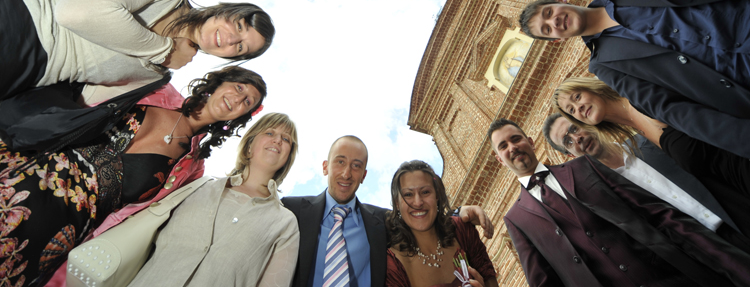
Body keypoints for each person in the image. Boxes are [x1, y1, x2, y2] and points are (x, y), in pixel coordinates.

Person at [0, 66, 267, 286]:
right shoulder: (154, 88)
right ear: (219, 81)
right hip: (23, 170)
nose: (238, 98)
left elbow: (131, 220)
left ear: (240, 117)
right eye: (240, 87)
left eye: (247, 102)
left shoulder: (191, 169)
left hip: (56, 232)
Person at [518, 0, 750, 158]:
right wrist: (740, 138)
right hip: (740, 82)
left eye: (549, 12)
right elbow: (668, 108)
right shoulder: (605, 66)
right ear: (557, 40)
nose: (555, 21)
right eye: (547, 29)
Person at [489, 118, 750, 287]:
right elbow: (544, 282)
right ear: (500, 159)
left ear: (530, 141)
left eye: (516, 138)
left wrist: (726, 262)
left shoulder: (585, 166)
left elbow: (656, 213)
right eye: (503, 146)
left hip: (675, 277)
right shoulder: (516, 219)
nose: (512, 147)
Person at [0, 0, 274, 105]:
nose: (230, 38)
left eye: (239, 47)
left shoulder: (156, 75)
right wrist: (165, 51)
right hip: (22, 5)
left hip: (25, 73)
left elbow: (86, 99)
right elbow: (75, 11)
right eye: (239, 25)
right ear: (228, 10)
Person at [281, 136, 494, 287]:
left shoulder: (381, 220)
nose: (347, 173)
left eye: (356, 166)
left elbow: (419, 217)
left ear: (364, 175)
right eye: (340, 162)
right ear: (326, 166)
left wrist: (459, 212)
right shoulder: (292, 209)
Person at [551, 78, 750, 237]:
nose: (578, 108)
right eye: (571, 111)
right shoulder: (635, 133)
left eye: (577, 97)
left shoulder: (640, 101)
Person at [128, 112, 299, 286]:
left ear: (287, 158)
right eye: (270, 133)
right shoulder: (198, 186)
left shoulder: (284, 223)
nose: (277, 140)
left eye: (286, 139)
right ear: (249, 145)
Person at [385, 160, 498, 287]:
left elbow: (489, 279)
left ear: (437, 195)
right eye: (408, 194)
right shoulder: (393, 265)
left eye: (425, 192)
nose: (418, 202)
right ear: (397, 204)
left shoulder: (461, 230)